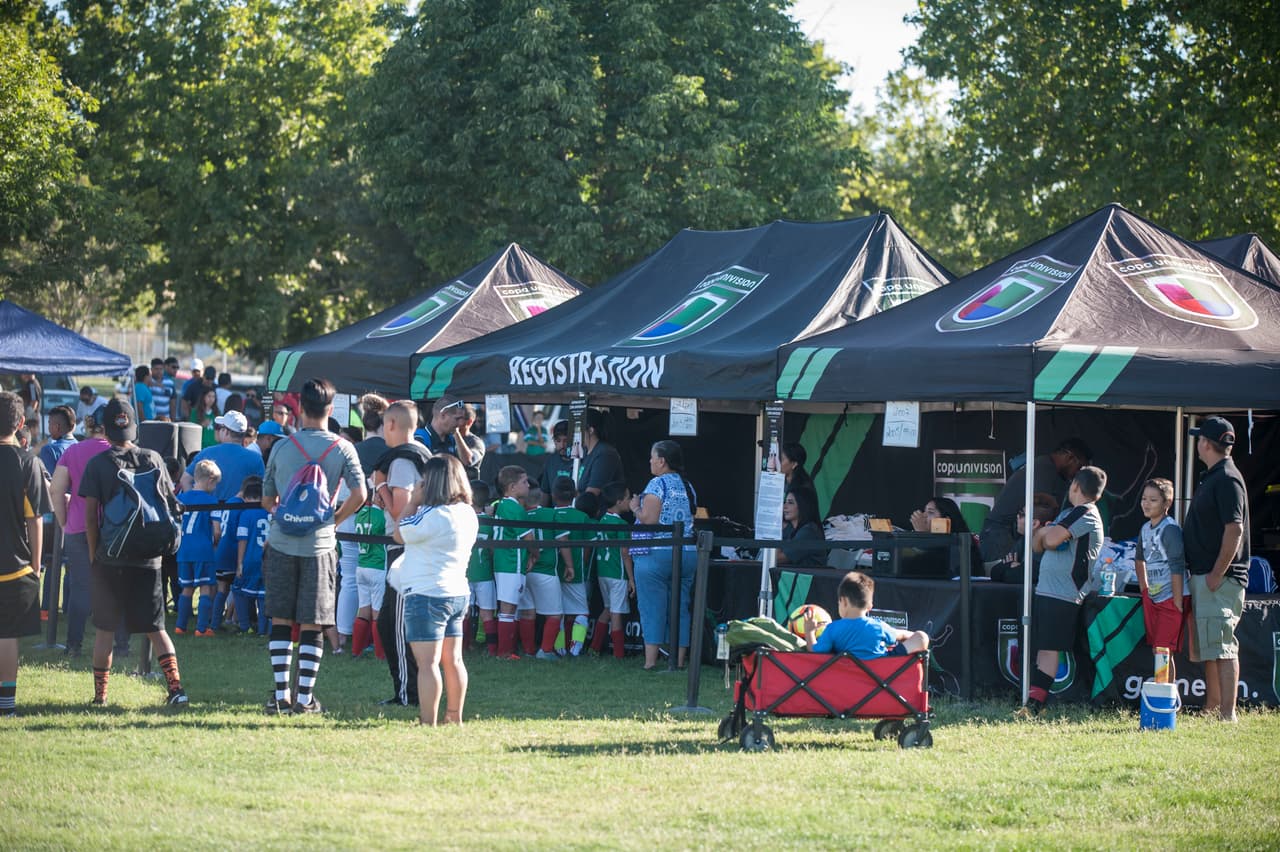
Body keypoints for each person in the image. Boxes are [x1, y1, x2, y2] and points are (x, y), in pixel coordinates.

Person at [260, 378, 366, 715]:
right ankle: (304, 699)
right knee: (313, 621)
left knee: (280, 618)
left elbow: (266, 499)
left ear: (300, 409)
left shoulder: (281, 447)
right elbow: (361, 494)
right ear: (331, 410)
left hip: (281, 541)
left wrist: (284, 513)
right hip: (320, 545)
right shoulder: (343, 448)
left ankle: (280, 696)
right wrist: (334, 520)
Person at [78, 398, 188, 706]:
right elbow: (169, 503)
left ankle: (100, 697)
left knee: (105, 630)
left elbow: (90, 517)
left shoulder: (99, 464)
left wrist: (93, 555)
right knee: (156, 629)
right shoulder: (153, 458)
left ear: (106, 428)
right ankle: (176, 689)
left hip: (110, 559)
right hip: (150, 558)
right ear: (133, 426)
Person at [393, 455, 479, 726]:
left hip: (426, 593)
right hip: (457, 592)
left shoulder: (431, 515)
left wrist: (412, 502)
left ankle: (427, 721)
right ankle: (454, 716)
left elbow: (399, 533)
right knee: (453, 660)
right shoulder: (468, 513)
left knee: (427, 663)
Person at [1023, 465, 1107, 716]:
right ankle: (1035, 701)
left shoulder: (1085, 513)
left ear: (1075, 487)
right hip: (1050, 591)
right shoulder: (1070, 514)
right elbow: (1035, 544)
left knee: (1049, 649)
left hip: (1064, 593)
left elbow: (1046, 540)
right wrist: (1047, 533)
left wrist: (1046, 532)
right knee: (1043, 647)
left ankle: (1035, 706)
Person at [1183, 416, 1250, 722]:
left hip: (1219, 579)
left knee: (1222, 645)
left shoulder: (1227, 478)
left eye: (1200, 439)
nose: (1197, 443)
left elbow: (1234, 529)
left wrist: (1217, 573)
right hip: (1206, 576)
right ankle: (1212, 708)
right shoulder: (1214, 476)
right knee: (1211, 646)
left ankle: (1228, 714)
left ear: (1207, 444)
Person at [50, 411, 128, 658]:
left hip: (77, 526)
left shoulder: (72, 451)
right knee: (116, 586)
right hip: (113, 527)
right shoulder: (120, 452)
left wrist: (63, 523)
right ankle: (122, 644)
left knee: (81, 587)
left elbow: (56, 490)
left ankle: (74, 645)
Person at [372, 400, 431, 705]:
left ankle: (407, 693)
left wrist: (379, 486)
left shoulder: (400, 462)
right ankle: (409, 690)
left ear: (391, 425)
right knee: (393, 622)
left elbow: (400, 512)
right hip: (421, 546)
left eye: (384, 424)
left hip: (406, 548)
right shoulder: (424, 454)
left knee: (394, 624)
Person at [0, 391, 50, 715]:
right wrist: (36, 565)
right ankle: (6, 704)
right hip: (15, 566)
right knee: (6, 636)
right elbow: (36, 520)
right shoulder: (28, 461)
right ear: (21, 423)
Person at [632, 439, 698, 670]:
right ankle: (678, 661)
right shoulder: (688, 486)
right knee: (680, 607)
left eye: (652, 457)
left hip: (657, 553)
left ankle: (650, 662)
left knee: (653, 607)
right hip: (687, 554)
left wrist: (634, 508)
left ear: (661, 461)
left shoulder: (657, 484)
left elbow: (649, 520)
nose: (650, 461)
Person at [980, 437, 1092, 564]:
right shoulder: (1044, 469)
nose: (1077, 474)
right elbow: (1042, 510)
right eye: (1079, 467)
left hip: (1008, 533)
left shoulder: (1048, 469)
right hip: (1000, 535)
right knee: (1006, 577)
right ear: (1069, 457)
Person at [804, 571, 929, 658]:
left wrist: (809, 632)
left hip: (848, 675)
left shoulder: (832, 629)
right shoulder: (879, 626)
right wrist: (912, 635)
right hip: (883, 673)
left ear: (844, 601)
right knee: (921, 637)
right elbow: (901, 634)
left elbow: (816, 653)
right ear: (870, 607)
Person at [1134, 477, 1187, 684]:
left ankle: (1164, 696)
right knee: (1159, 649)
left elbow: (1177, 565)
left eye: (1153, 500)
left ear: (1167, 504)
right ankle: (1164, 691)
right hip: (1154, 597)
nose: (1146, 504)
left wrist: (1177, 601)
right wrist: (1144, 590)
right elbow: (1139, 560)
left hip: (1170, 598)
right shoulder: (1145, 528)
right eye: (1144, 498)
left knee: (1163, 650)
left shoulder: (1170, 529)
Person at [175, 459, 222, 637]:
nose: (215, 487)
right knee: (205, 588)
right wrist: (215, 542)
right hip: (203, 549)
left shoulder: (181, 498)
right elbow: (216, 531)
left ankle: (180, 625)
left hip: (184, 549)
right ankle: (201, 628)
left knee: (186, 589)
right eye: (216, 483)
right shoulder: (212, 501)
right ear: (210, 480)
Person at [491, 465, 534, 659]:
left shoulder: (502, 504)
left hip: (503, 562)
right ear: (512, 487)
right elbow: (529, 539)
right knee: (508, 609)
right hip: (511, 563)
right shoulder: (515, 509)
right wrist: (535, 556)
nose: (528, 485)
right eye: (524, 482)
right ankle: (505, 652)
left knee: (511, 607)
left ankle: (509, 650)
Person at [589, 481, 635, 659]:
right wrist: (631, 578)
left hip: (603, 572)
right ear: (618, 501)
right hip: (617, 574)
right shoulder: (621, 525)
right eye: (628, 497)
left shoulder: (602, 519)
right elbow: (625, 553)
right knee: (616, 613)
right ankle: (618, 654)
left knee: (607, 609)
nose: (630, 500)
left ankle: (594, 647)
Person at [524, 478, 566, 659]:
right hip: (547, 570)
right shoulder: (551, 514)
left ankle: (528, 650)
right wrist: (570, 565)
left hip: (525, 570)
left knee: (527, 612)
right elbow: (563, 542)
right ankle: (548, 650)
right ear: (541, 496)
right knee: (557, 614)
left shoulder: (520, 515)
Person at [181, 410, 265, 502]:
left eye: (220, 427)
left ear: (226, 432)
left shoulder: (206, 453)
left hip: (208, 513)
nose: (218, 430)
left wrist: (195, 505)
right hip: (240, 513)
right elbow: (264, 489)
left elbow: (185, 480)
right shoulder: (256, 458)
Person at [552, 476, 592, 656]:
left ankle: (559, 648)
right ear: (576, 494)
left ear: (553, 495)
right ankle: (575, 650)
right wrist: (581, 563)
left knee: (556, 612)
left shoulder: (549, 514)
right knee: (582, 612)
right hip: (576, 572)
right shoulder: (582, 517)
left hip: (552, 571)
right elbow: (588, 546)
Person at [349, 489, 388, 660]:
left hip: (361, 565)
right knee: (377, 611)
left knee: (363, 609)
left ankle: (356, 651)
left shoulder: (359, 514)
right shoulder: (382, 517)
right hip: (377, 567)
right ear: (377, 496)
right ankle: (381, 653)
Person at [989, 492, 1059, 583]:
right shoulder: (1024, 541)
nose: (1017, 516)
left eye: (1022, 514)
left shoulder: (1049, 546)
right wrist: (1013, 566)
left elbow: (1022, 576)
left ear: (1034, 523)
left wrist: (1013, 567)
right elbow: (995, 571)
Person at [232, 476, 271, 635]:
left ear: (246, 498)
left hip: (250, 559)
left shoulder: (246, 514)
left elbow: (243, 540)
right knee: (263, 595)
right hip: (269, 560)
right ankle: (264, 630)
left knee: (238, 589)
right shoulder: (270, 512)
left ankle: (244, 625)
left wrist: (239, 563)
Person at [909, 495, 984, 575]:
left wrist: (922, 534)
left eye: (930, 512)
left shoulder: (960, 542)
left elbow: (937, 568)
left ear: (946, 520)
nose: (923, 516)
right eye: (924, 511)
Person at [465, 480, 497, 656]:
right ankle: (491, 649)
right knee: (487, 612)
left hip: (466, 572)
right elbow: (493, 550)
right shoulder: (490, 521)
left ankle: (464, 646)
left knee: (465, 612)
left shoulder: (462, 520)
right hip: (484, 572)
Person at [577, 408, 625, 497]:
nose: (576, 432)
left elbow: (591, 494)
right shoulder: (585, 452)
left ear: (591, 430)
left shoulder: (605, 454)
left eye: (579, 428)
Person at [778, 486, 826, 567]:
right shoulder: (792, 529)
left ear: (802, 506)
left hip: (808, 578)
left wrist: (773, 528)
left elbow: (778, 558)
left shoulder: (809, 531)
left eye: (790, 503)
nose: (784, 506)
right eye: (785, 502)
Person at [38, 405, 76, 480]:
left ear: (56, 427)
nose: (48, 427)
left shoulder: (49, 450)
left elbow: (49, 482)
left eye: (49, 423)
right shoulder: (81, 446)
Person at [455, 404, 485, 481]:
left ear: (469, 422)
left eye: (458, 418)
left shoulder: (476, 443)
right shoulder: (445, 438)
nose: (454, 420)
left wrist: (456, 433)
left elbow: (468, 461)